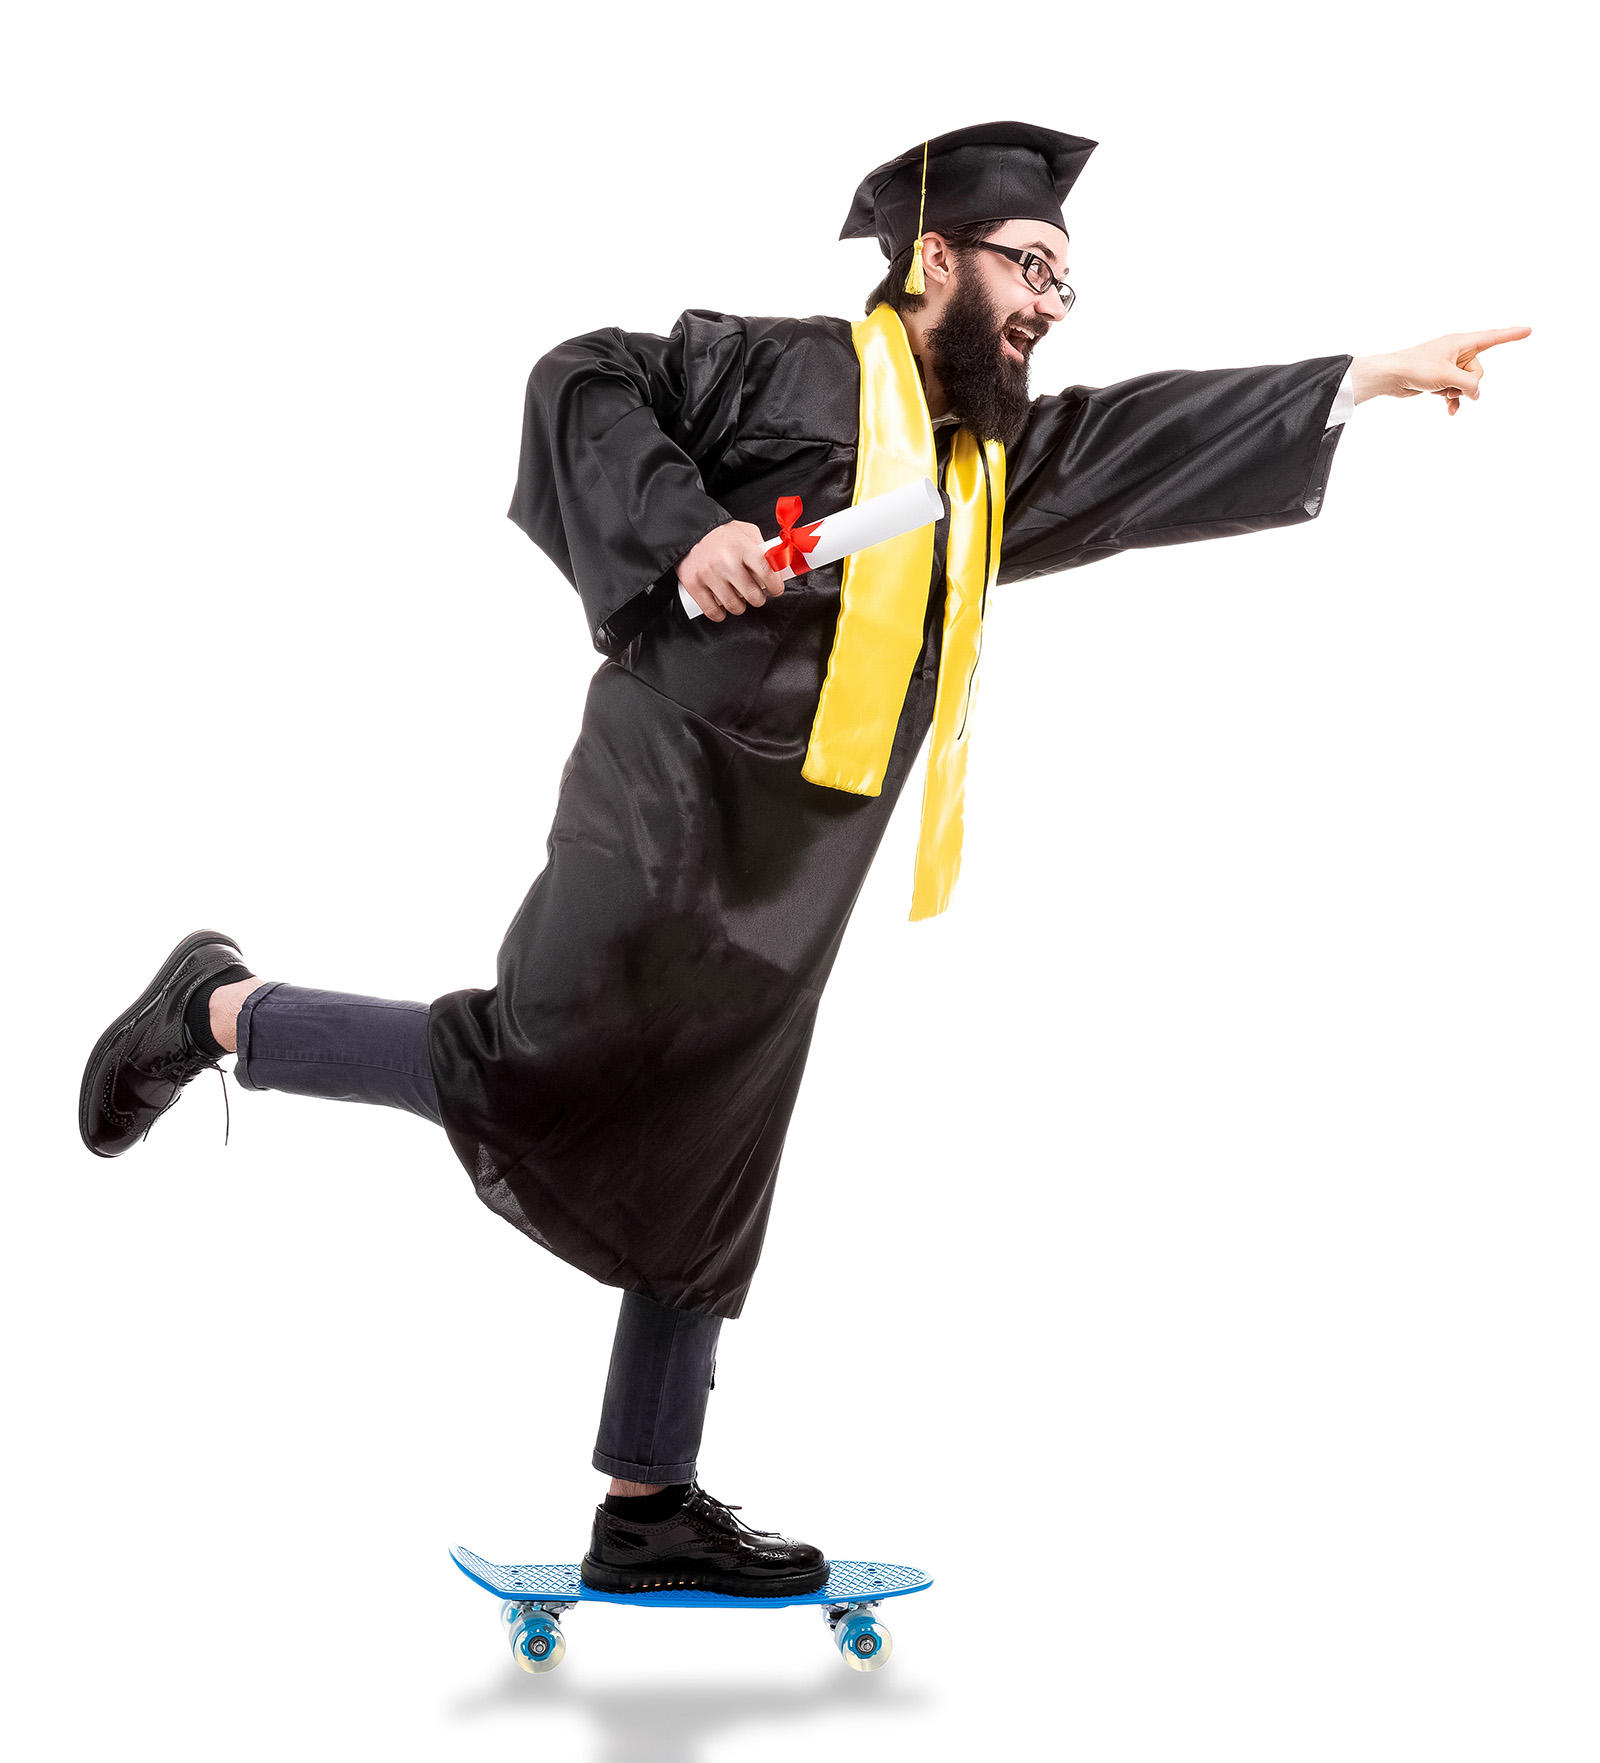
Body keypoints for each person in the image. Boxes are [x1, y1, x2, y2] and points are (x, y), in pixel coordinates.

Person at [78, 121, 1529, 1596]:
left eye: (1068, 289)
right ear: (934, 257)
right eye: (1031, 268)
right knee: (539, 1067)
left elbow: (1139, 441)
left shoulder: (984, 467)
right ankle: (218, 1010)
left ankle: (648, 1509)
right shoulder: (775, 368)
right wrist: (686, 524)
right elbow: (576, 376)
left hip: (802, 859)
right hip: (663, 799)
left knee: (712, 1151)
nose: (1048, 304)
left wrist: (1360, 379)